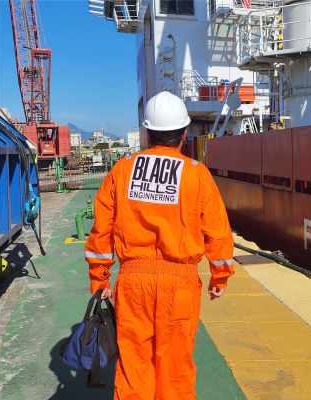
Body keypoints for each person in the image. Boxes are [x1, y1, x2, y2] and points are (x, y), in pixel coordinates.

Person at [84, 91, 235, 400]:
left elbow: (101, 230)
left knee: (133, 366)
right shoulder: (197, 174)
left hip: (133, 283)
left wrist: (100, 279)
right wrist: (220, 276)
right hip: (179, 285)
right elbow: (217, 230)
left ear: (147, 131)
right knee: (176, 369)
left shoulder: (122, 170)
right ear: (183, 134)